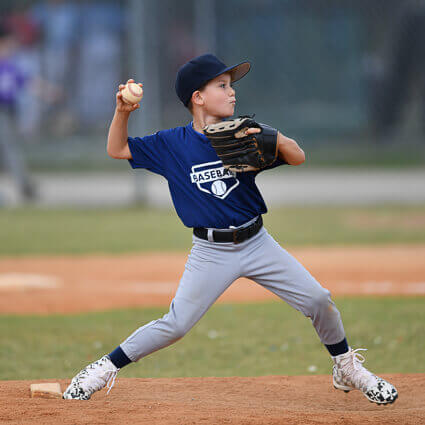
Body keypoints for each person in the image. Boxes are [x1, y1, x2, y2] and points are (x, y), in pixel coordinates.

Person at [63, 54, 398, 405]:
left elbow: (298, 156)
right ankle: (102, 369)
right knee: (176, 324)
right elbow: (117, 149)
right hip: (211, 252)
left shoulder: (242, 134)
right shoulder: (172, 145)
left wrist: (270, 136)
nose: (232, 92)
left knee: (318, 299)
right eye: (222, 86)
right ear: (198, 96)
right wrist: (123, 112)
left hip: (257, 243)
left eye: (232, 85)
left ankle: (345, 366)